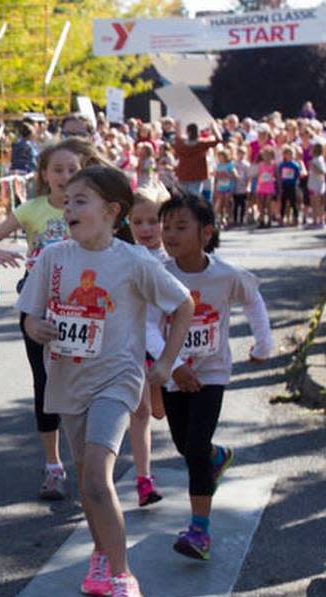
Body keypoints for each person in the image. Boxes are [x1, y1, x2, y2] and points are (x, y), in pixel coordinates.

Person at [17, 165, 194, 597]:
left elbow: (183, 304)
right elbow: (30, 318)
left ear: (112, 211)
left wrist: (166, 363)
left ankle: (123, 579)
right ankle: (99, 553)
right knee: (88, 482)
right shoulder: (54, 258)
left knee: (96, 476)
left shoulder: (133, 260)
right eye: (68, 200)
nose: (70, 208)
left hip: (117, 377)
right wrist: (36, 327)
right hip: (68, 380)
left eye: (81, 201)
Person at [154, 192, 273, 560]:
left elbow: (253, 300)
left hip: (213, 373)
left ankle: (199, 532)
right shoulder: (160, 275)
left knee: (193, 448)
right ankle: (215, 457)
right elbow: (148, 326)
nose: (170, 234)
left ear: (206, 233)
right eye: (166, 227)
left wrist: (263, 344)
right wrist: (174, 366)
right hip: (175, 373)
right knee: (185, 445)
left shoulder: (226, 274)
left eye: (180, 227)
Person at [0, 139, 99, 499]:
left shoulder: (91, 208)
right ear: (44, 174)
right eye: (57, 170)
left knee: (86, 384)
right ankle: (53, 466)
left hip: (84, 307)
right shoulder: (31, 209)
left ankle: (90, 463)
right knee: (45, 385)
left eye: (72, 169)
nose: (65, 176)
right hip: (40, 307)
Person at [127, 183, 175, 507]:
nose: (145, 229)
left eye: (153, 221)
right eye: (137, 222)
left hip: (169, 349)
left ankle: (204, 456)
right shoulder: (125, 256)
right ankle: (144, 480)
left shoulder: (174, 259)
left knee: (160, 411)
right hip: (134, 345)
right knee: (141, 412)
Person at [174, 121, 220, 197]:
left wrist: (178, 125)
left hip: (183, 174)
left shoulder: (181, 144)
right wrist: (214, 127)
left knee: (182, 198)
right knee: (194, 198)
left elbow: (177, 136)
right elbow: (218, 140)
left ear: (187, 132)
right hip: (197, 175)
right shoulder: (202, 144)